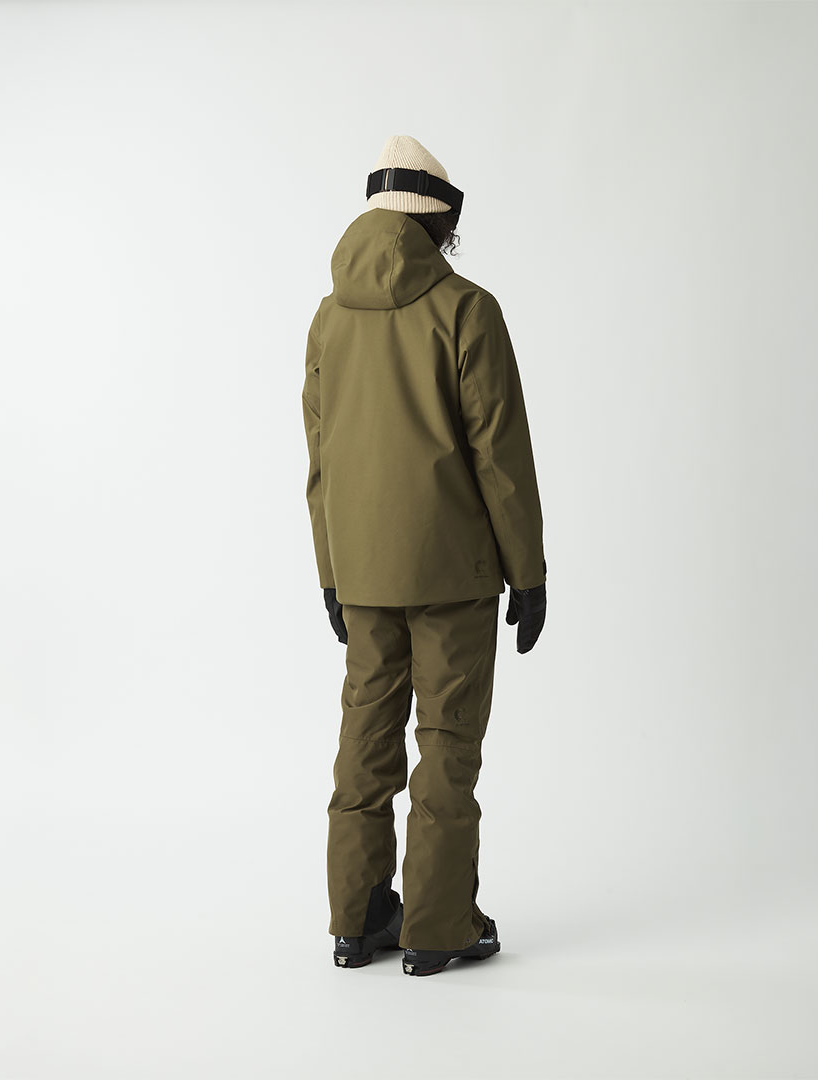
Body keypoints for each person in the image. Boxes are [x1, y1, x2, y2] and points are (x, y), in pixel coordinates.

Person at [301, 135, 547, 977]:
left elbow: (321, 458)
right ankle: (438, 928)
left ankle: (358, 917)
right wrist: (529, 573)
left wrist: (331, 573)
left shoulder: (329, 316)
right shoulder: (467, 309)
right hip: (453, 571)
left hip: (362, 572)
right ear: (439, 224)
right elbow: (500, 456)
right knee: (445, 741)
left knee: (365, 735)